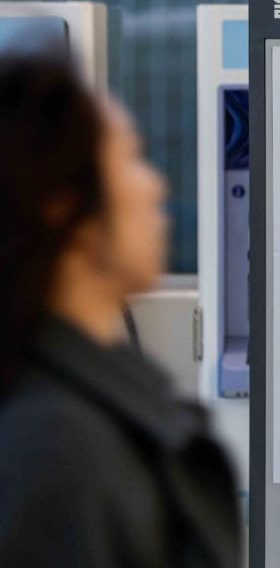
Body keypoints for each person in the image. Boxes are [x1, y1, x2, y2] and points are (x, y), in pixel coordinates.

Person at [0, 56, 241, 567]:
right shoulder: (59, 449)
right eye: (131, 160)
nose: (156, 187)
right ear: (64, 206)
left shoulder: (78, 408)